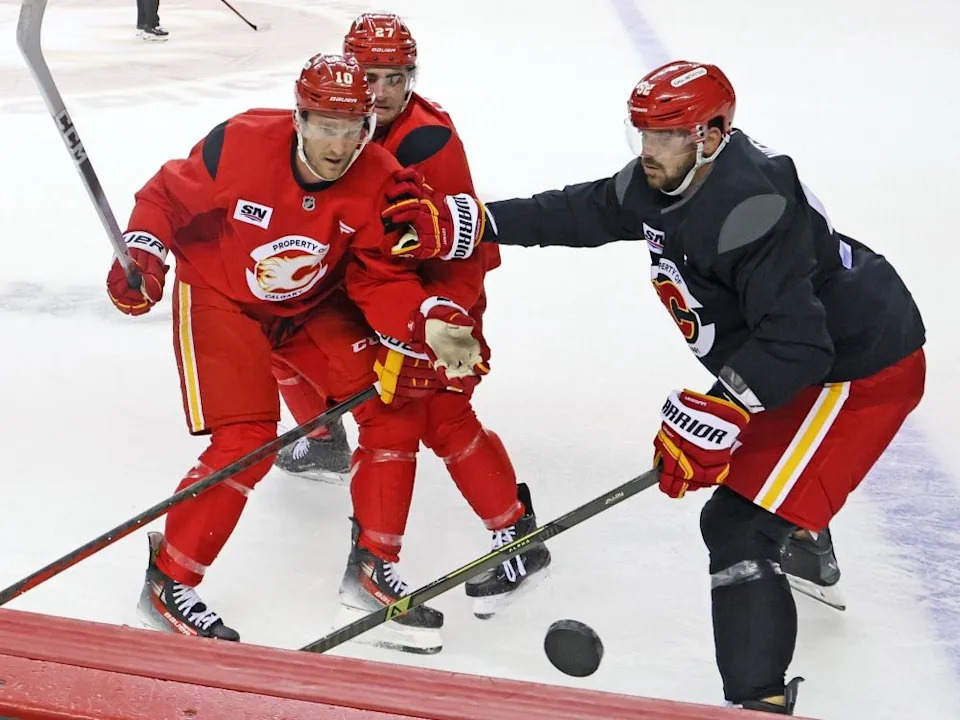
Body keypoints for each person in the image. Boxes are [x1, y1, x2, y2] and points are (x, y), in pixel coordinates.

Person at [382, 60, 926, 712]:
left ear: (715, 135)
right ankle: (803, 531)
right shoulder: (672, 177)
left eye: (668, 135)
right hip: (794, 356)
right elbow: (585, 211)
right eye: (643, 132)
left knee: (734, 529)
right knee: (753, 469)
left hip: (855, 370)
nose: (649, 151)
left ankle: (760, 701)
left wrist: (721, 407)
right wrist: (472, 224)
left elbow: (800, 347)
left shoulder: (751, 208)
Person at [105, 53, 471, 644]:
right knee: (246, 438)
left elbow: (381, 276)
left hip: (308, 304)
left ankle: (372, 573)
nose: (339, 142)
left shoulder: (377, 175)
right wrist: (144, 250)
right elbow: (165, 196)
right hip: (222, 295)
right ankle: (168, 578)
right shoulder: (242, 142)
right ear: (298, 117)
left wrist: (425, 322)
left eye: (353, 127)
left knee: (392, 407)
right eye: (326, 125)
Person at [271, 14, 550, 647]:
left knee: (440, 416)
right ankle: (321, 441)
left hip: (439, 300)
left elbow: (461, 243)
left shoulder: (427, 143)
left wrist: (440, 329)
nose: (381, 90)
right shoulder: (348, 129)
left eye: (394, 78)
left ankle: (516, 537)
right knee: (282, 344)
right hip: (383, 297)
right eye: (369, 76)